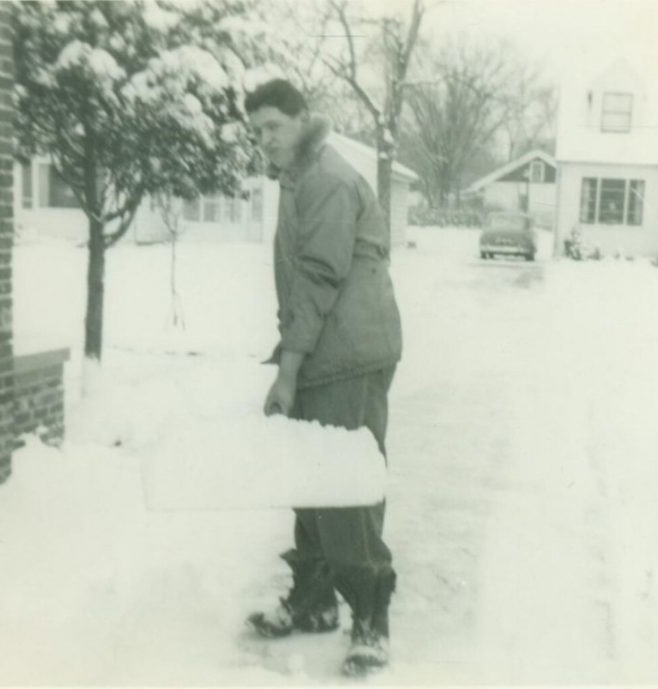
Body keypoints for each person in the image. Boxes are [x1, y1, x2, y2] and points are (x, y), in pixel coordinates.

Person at [243, 78, 403, 677]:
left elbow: (316, 279)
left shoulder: (329, 182)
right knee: (311, 477)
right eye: (256, 130)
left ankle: (370, 615)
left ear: (303, 119)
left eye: (274, 128)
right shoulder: (301, 177)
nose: (264, 141)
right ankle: (313, 600)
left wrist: (287, 369)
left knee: (345, 484)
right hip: (322, 351)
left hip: (350, 354)